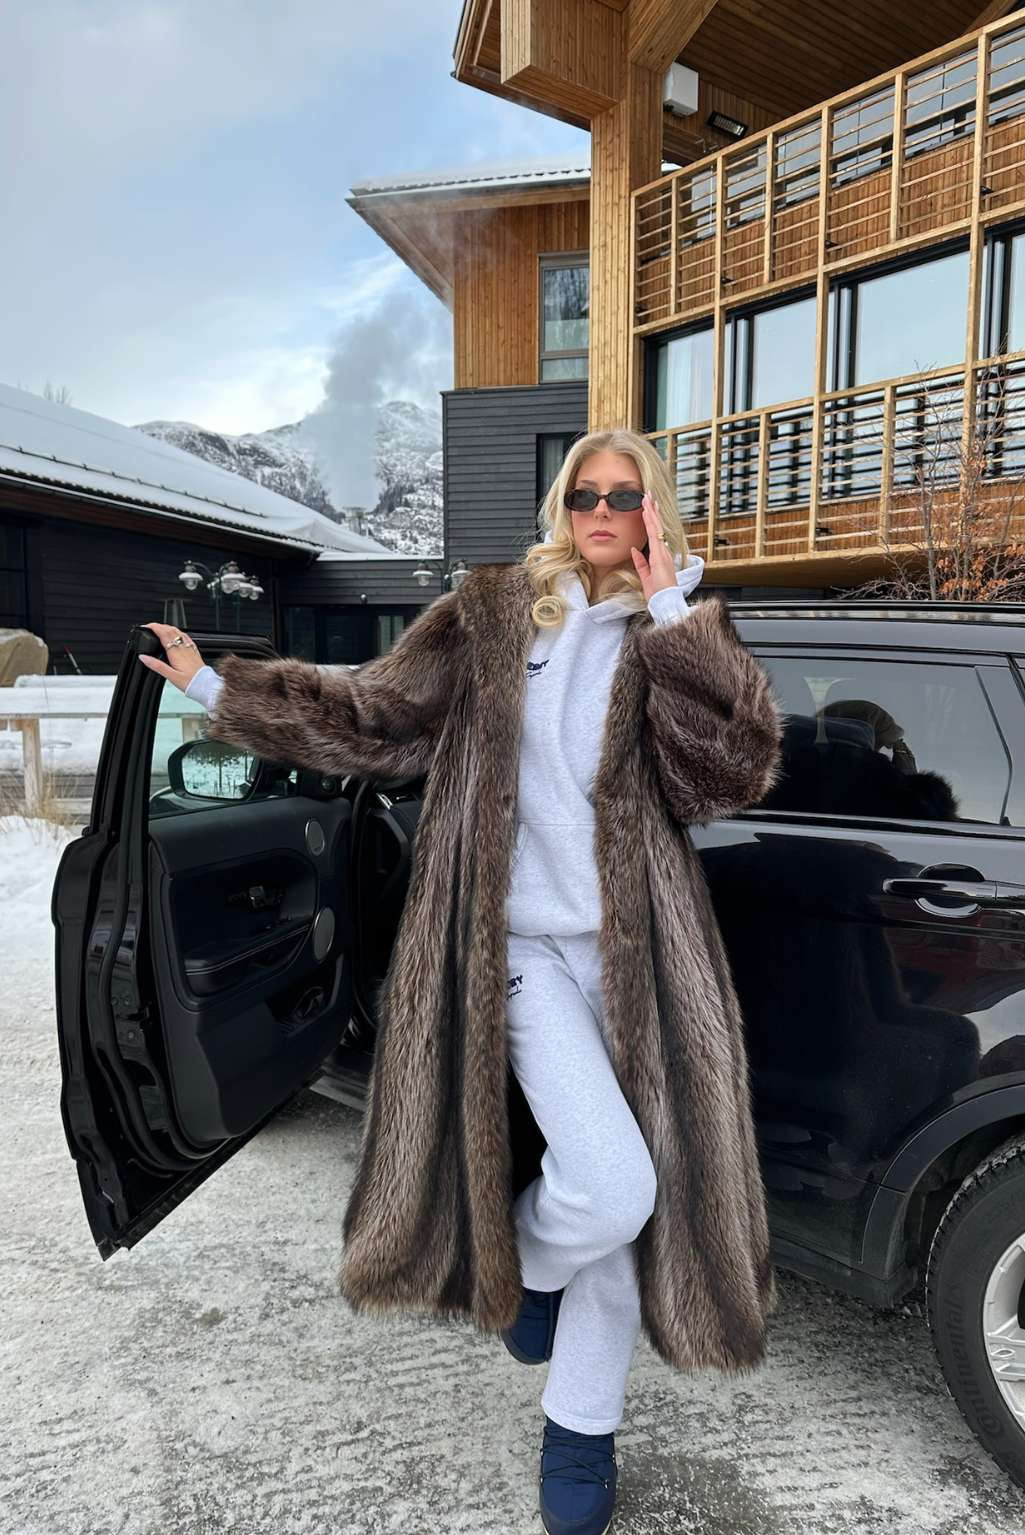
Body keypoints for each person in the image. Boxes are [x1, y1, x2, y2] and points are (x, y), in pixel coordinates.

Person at [140, 426, 784, 1535]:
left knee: (625, 1210)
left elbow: (725, 775)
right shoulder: (490, 612)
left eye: (623, 495)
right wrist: (216, 687)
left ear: (652, 509)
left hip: (638, 960)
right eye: (583, 493)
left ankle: (577, 1424)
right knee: (611, 1183)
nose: (600, 512)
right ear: (561, 505)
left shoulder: (672, 631)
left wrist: (678, 617)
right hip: (514, 949)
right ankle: (529, 1274)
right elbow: (375, 717)